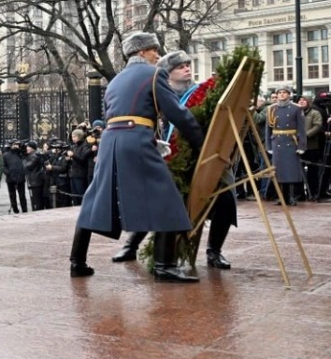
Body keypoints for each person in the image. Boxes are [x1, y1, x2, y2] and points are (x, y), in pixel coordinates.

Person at [69, 32, 204, 282]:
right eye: (154, 50)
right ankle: (165, 266)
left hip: (111, 141)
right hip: (136, 140)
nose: (158, 55)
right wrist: (201, 140)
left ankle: (77, 261)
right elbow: (176, 113)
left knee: (95, 198)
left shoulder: (116, 81)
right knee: (167, 198)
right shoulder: (155, 74)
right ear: (142, 52)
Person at [112, 50, 239, 270]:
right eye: (180, 67)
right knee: (155, 201)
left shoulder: (202, 93)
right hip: (170, 159)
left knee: (226, 198)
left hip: (204, 155)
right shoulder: (157, 90)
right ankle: (132, 245)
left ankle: (214, 251)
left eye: (188, 65)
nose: (187, 69)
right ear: (167, 73)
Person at [265, 86, 306, 206]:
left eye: (284, 93)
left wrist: (301, 146)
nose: (282, 95)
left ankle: (291, 196)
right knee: (278, 172)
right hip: (277, 142)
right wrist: (269, 146)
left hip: (291, 142)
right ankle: (281, 196)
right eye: (280, 93)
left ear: (289, 94)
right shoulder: (271, 109)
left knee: (291, 171)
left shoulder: (296, 109)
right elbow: (268, 130)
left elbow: (301, 129)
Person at [299, 95, 324, 201]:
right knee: (299, 171)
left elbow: (317, 126)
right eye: (299, 100)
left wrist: (306, 135)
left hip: (312, 146)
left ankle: (313, 192)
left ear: (308, 102)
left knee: (312, 171)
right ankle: (300, 194)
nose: (301, 101)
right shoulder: (296, 113)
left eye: (303, 100)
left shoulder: (315, 113)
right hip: (299, 146)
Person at [68, 130, 93, 205]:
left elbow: (82, 159)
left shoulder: (84, 145)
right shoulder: (75, 146)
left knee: (80, 194)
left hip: (80, 174)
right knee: (74, 195)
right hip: (73, 174)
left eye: (75, 136)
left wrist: (73, 155)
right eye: (72, 137)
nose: (73, 138)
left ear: (79, 136)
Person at [3, 140, 28, 214]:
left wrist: (21, 147)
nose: (16, 146)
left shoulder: (20, 153)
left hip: (20, 178)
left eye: (17, 144)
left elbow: (25, 153)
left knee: (22, 195)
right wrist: (8, 173)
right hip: (10, 179)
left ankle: (24, 209)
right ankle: (15, 209)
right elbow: (3, 166)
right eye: (14, 144)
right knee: (12, 196)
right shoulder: (6, 155)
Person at [24, 142, 47, 212]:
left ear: (32, 148)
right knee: (37, 199)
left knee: (37, 200)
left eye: (28, 147)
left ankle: (38, 212)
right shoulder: (35, 154)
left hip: (36, 180)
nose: (27, 148)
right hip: (35, 180)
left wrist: (24, 160)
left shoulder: (34, 156)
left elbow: (28, 166)